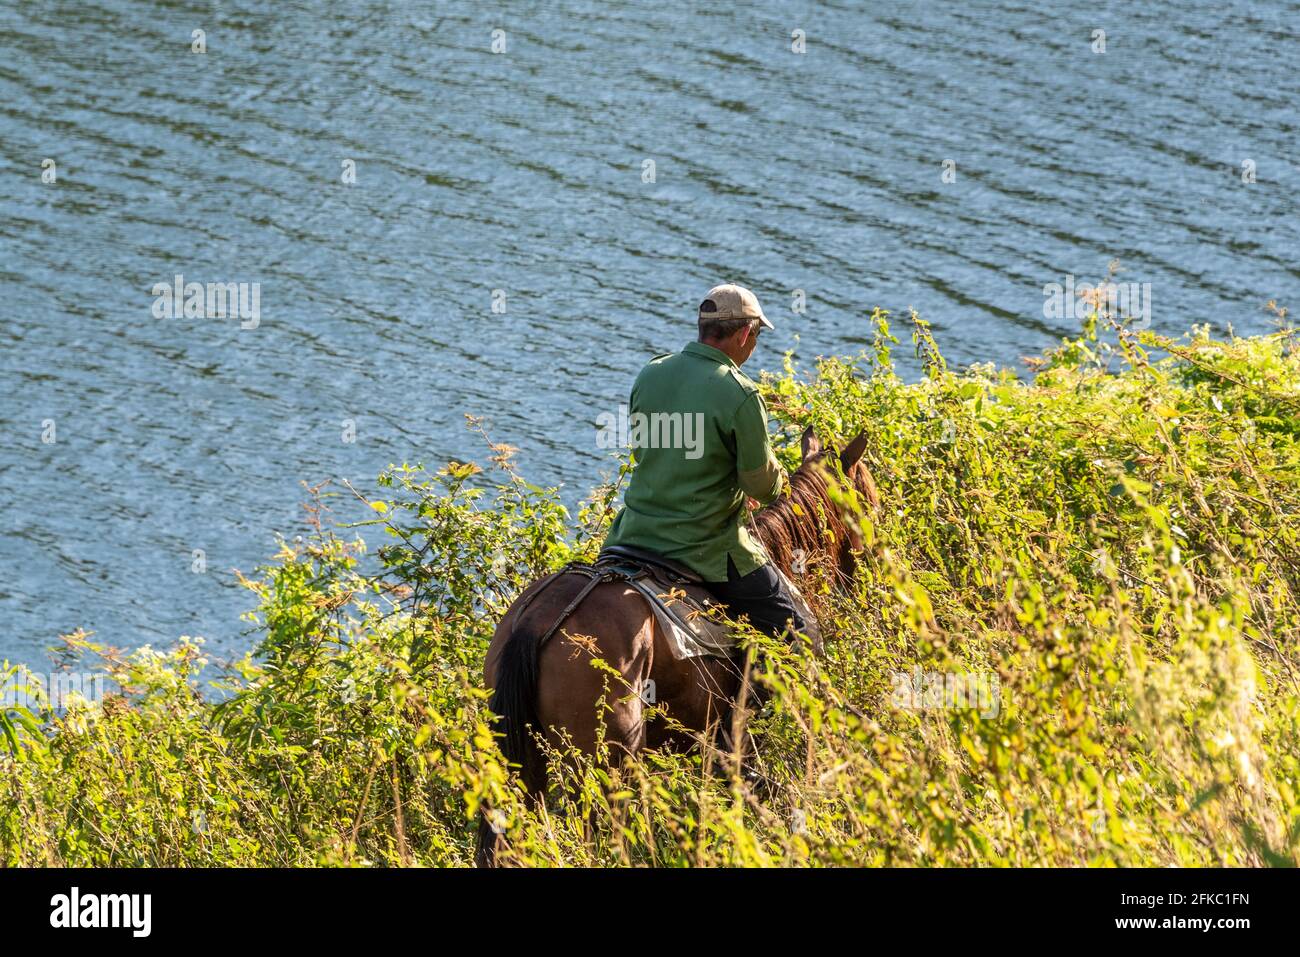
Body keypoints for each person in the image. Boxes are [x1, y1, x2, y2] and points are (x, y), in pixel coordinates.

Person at [604, 283, 806, 643]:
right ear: (745, 333)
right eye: (757, 335)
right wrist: (775, 477)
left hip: (632, 536)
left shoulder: (650, 373)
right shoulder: (740, 393)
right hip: (705, 549)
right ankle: (753, 700)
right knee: (795, 634)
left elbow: (646, 453)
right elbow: (763, 486)